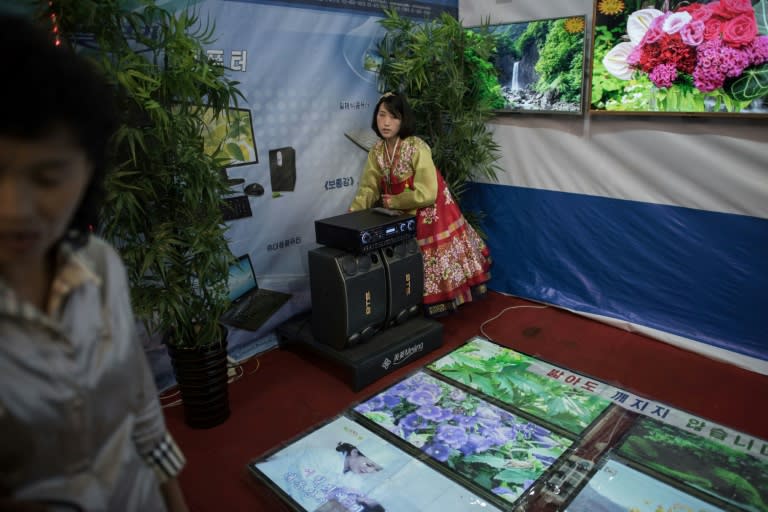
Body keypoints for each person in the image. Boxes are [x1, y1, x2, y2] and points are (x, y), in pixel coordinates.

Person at [0, 15, 188, 512]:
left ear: (87, 172)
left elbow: (140, 401)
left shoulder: (100, 264)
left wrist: (174, 500)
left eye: (47, 176)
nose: (14, 209)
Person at [348, 93, 491, 317]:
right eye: (381, 115)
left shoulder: (417, 147)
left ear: (403, 120)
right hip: (400, 211)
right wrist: (352, 215)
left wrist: (394, 201)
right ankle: (408, 302)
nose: (386, 122)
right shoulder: (377, 151)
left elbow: (428, 192)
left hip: (430, 210)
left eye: (393, 117)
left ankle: (436, 302)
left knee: (431, 255)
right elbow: (368, 188)